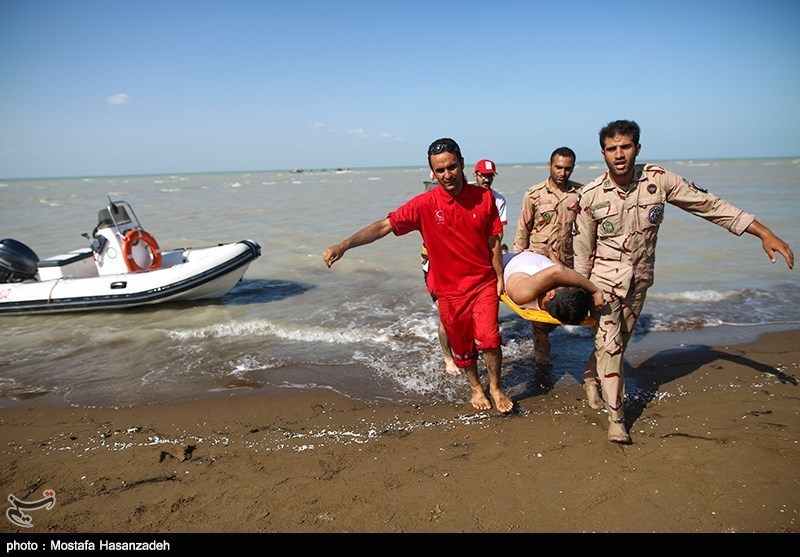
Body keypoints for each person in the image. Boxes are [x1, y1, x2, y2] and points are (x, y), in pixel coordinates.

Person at [574, 119, 795, 444]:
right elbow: (582, 255)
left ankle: (590, 377)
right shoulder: (589, 196)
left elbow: (709, 205)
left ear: (638, 148)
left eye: (625, 147)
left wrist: (763, 232)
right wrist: (585, 292)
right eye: (611, 149)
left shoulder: (659, 181)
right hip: (604, 287)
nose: (619, 154)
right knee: (610, 345)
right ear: (602, 153)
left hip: (640, 282)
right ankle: (617, 418)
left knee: (617, 344)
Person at [324, 138, 513, 413]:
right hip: (448, 289)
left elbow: (494, 242)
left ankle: (496, 387)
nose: (447, 175)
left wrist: (499, 278)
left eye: (451, 167)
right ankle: (475, 387)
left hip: (482, 282)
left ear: (462, 164)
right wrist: (344, 245)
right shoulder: (424, 204)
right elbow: (383, 226)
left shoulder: (485, 199)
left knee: (490, 339)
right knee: (462, 347)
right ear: (432, 173)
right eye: (440, 170)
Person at [421, 158, 509, 376]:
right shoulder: (453, 193)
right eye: (482, 175)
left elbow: (496, 237)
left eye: (490, 176)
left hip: (476, 264)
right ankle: (448, 357)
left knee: (481, 322)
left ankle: (477, 353)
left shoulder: (496, 200)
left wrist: (497, 270)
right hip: (440, 264)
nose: (486, 179)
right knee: (446, 315)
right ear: (474, 174)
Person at [512, 147, 583, 365]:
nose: (563, 173)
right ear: (549, 166)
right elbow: (523, 227)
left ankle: (550, 336)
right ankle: (541, 351)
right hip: (538, 260)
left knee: (568, 306)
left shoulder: (581, 194)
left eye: (567, 168)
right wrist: (516, 258)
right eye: (558, 167)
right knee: (542, 309)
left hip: (568, 259)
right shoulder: (534, 194)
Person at [503, 251, 604, 324]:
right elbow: (561, 272)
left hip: (508, 260)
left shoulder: (523, 294)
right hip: (537, 256)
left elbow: (559, 271)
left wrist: (595, 291)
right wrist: (551, 256)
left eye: (568, 286)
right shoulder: (557, 302)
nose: (570, 284)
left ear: (550, 294)